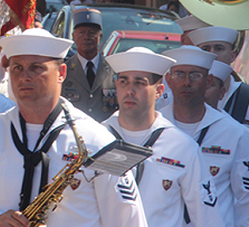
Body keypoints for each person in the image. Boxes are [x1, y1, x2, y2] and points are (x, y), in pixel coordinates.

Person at [0, 29, 148, 227]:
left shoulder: (98, 141)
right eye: (17, 68)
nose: (25, 76)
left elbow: (129, 221)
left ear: (61, 73)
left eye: (36, 68)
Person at [103, 47, 225, 227]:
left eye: (140, 83)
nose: (130, 90)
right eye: (123, 81)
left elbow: (207, 216)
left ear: (159, 91)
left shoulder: (182, 146)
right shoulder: (98, 138)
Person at [161, 46, 249, 226]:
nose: (187, 82)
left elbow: (245, 199)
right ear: (168, 81)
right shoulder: (155, 127)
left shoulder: (234, 133)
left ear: (209, 81)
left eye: (195, 75)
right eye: (179, 74)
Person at [62, 8, 117, 121]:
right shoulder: (63, 71)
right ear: (73, 36)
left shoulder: (113, 69)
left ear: (100, 37)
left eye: (92, 33)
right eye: (81, 32)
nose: (86, 37)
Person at [188, 26, 249, 124]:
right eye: (206, 49)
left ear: (232, 56)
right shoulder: (182, 91)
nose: (212, 54)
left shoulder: (245, 95)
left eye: (219, 48)